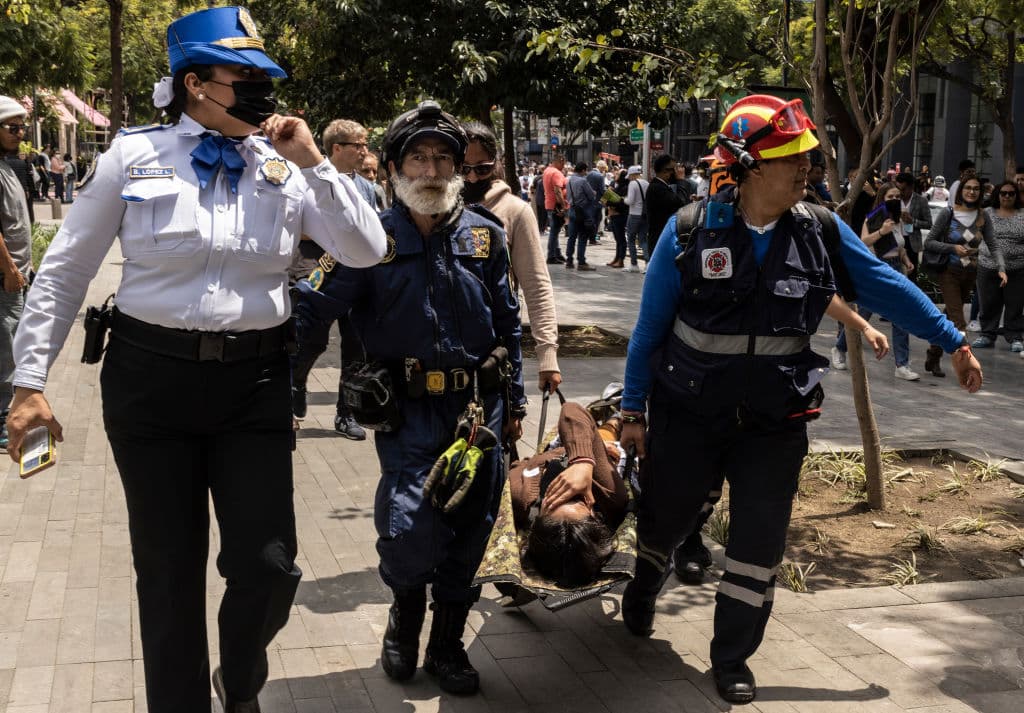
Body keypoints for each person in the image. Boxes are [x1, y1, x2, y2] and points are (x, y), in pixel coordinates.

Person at [5, 8, 386, 712]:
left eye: (264, 76)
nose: (261, 90)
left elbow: (366, 249)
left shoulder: (286, 168)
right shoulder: (133, 155)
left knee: (269, 567)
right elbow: (63, 272)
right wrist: (29, 382)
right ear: (194, 84)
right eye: (243, 75)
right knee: (169, 573)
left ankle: (238, 681)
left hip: (256, 384)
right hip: (151, 385)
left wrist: (315, 163)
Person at [618, 94, 983, 705]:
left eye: (808, 158)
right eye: (793, 158)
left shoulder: (820, 229)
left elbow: (887, 286)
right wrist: (633, 410)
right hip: (688, 413)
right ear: (750, 165)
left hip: (775, 420)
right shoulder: (686, 232)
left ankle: (731, 657)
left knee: (759, 543)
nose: (807, 169)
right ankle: (646, 579)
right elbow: (648, 331)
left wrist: (953, 341)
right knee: (667, 516)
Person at [293, 101, 524, 696]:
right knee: (411, 528)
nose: (431, 170)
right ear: (394, 167)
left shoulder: (485, 235)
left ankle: (446, 645)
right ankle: (405, 615)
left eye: (442, 158)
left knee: (470, 527)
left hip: (479, 413)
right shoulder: (367, 240)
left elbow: (507, 324)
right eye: (418, 158)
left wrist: (516, 400)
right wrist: (281, 387)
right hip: (407, 412)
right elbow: (310, 313)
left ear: (458, 167)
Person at [289, 117, 380, 440]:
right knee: (310, 340)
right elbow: (294, 227)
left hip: (357, 277)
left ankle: (346, 413)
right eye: (359, 146)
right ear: (337, 148)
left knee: (356, 347)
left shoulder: (367, 187)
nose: (365, 152)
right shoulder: (305, 179)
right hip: (314, 271)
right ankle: (295, 383)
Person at [460, 121, 562, 392]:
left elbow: (537, 285)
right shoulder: (438, 209)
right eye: (463, 168)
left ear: (496, 164)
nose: (471, 177)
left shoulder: (515, 211)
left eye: (481, 169)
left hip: (496, 348)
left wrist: (547, 357)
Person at [511, 400, 628, 586]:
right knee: (608, 433)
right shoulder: (609, 497)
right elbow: (573, 409)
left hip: (563, 449)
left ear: (539, 517)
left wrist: (580, 461)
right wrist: (586, 460)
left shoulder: (521, 498)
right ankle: (615, 418)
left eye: (557, 499)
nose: (569, 491)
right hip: (602, 453)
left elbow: (517, 466)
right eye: (580, 500)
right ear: (593, 513)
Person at [831, 183, 920, 380]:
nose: (895, 200)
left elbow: (901, 246)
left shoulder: (899, 220)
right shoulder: (873, 219)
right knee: (862, 314)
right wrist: (881, 231)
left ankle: (902, 364)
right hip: (876, 268)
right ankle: (839, 348)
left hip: (896, 269)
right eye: (890, 197)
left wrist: (906, 261)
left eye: (898, 196)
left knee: (900, 317)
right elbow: (862, 243)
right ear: (882, 199)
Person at [923, 176, 1006, 375]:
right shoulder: (948, 213)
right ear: (961, 191)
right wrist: (952, 248)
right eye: (967, 188)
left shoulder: (982, 216)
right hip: (949, 272)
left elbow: (993, 244)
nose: (971, 191)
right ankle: (967, 367)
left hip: (969, 274)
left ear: (981, 192)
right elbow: (930, 242)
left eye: (976, 188)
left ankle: (933, 355)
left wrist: (1001, 267)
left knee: (949, 318)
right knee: (959, 322)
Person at [0, 97, 32, 450]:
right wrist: (9, 268)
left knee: (13, 346)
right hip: (4, 280)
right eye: (12, 128)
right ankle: (1, 420)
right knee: (6, 352)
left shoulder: (7, 166)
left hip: (17, 276)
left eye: (21, 127)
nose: (20, 133)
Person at [974, 181, 1024, 352]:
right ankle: (987, 334)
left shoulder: (1023, 215)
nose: (1007, 196)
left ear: (1016, 196)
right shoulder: (986, 213)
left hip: (1017, 268)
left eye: (1011, 193)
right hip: (988, 266)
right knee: (988, 303)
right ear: (998, 195)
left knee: (1015, 304)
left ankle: (1015, 337)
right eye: (1003, 193)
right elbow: (975, 235)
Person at [644, 154, 684, 257]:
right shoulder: (658, 188)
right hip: (660, 240)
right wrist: (681, 181)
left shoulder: (661, 186)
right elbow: (682, 204)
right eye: (674, 169)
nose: (676, 172)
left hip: (661, 239)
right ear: (666, 171)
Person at [895, 171, 932, 274]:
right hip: (895, 240)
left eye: (903, 189)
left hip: (911, 242)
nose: (900, 192)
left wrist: (913, 221)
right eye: (898, 189)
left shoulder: (921, 201)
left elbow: (929, 223)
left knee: (911, 274)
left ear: (911, 187)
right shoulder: (894, 198)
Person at [566, 162, 597, 270]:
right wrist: (594, 192)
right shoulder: (583, 181)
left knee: (571, 237)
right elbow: (591, 196)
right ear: (583, 170)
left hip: (572, 210)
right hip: (582, 211)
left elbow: (568, 196)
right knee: (583, 237)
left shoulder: (569, 180)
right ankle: (581, 262)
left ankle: (569, 261)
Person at [543, 154, 568, 263]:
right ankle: (551, 256)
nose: (564, 165)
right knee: (554, 232)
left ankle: (557, 253)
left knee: (555, 231)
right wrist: (563, 206)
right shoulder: (556, 173)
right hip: (556, 206)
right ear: (559, 161)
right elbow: (558, 191)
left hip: (550, 204)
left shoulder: (547, 171)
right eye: (563, 163)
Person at [623, 165, 648, 272]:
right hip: (645, 215)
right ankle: (648, 263)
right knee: (643, 240)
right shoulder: (646, 183)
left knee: (631, 239)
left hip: (634, 215)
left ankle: (634, 265)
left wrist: (623, 199)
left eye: (629, 176)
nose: (629, 178)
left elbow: (630, 201)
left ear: (633, 174)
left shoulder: (633, 184)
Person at [605, 168, 630, 268]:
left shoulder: (625, 188)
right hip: (614, 215)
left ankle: (621, 260)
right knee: (617, 238)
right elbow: (606, 200)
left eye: (618, 174)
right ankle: (617, 258)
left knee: (621, 238)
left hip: (620, 215)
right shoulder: (617, 186)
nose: (615, 175)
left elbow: (621, 203)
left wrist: (611, 202)